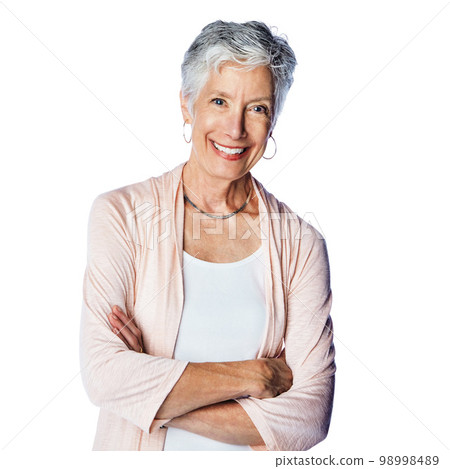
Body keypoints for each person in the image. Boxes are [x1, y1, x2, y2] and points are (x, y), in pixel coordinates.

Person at [80, 20, 336, 451]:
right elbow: (103, 375)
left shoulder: (300, 244)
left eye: (257, 108)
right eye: (219, 100)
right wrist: (255, 376)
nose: (235, 129)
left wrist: (150, 391)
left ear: (273, 120)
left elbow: (310, 418)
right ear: (187, 105)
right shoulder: (121, 215)